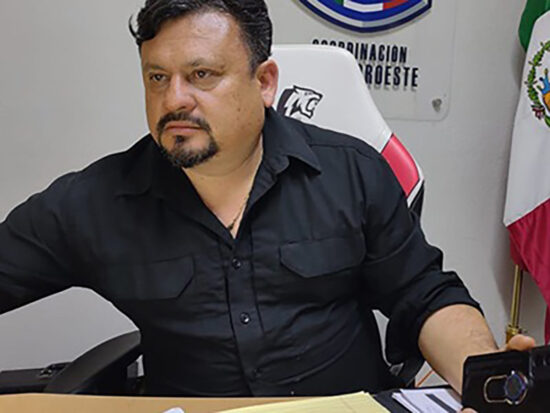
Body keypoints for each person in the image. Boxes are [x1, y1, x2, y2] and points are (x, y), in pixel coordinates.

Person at [0, 0, 534, 398]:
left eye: (201, 75)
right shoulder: (100, 200)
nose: (174, 99)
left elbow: (425, 295)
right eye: (157, 77)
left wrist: (482, 376)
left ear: (264, 82)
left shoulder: (351, 173)